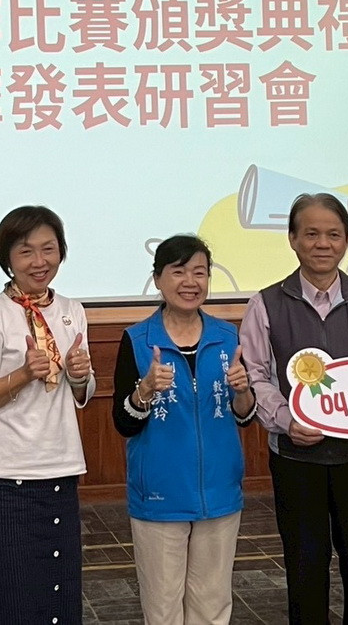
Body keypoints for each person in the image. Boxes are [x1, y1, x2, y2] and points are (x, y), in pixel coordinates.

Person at [239, 192, 348, 624]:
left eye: (333, 234)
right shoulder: (265, 303)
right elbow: (256, 374)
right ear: (292, 239)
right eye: (311, 234)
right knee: (305, 570)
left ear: (347, 241)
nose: (322, 244)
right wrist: (287, 420)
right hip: (296, 458)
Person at [0, 206, 94, 625]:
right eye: (26, 251)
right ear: (8, 259)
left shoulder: (72, 310)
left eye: (48, 249)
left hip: (61, 469)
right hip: (5, 478)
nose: (39, 261)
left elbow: (83, 393)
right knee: (7, 598)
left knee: (58, 599)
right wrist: (21, 375)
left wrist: (80, 377)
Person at [113, 235, 257, 625]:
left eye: (200, 272)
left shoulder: (228, 337)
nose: (190, 282)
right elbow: (123, 423)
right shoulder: (138, 340)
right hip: (160, 495)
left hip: (219, 491)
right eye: (178, 272)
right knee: (162, 609)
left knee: (213, 606)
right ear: (158, 278)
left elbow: (244, 416)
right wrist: (144, 390)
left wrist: (243, 391)